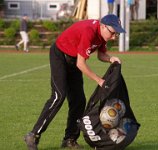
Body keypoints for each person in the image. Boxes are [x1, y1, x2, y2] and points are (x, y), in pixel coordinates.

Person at [24, 14, 125, 150]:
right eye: (113, 33)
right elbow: (81, 64)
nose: (114, 37)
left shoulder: (102, 35)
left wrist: (111, 58)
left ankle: (69, 139)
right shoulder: (89, 31)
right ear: (103, 26)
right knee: (58, 96)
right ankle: (33, 135)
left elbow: (101, 55)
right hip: (60, 55)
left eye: (116, 34)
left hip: (73, 59)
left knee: (79, 100)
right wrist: (99, 80)